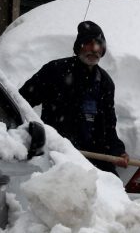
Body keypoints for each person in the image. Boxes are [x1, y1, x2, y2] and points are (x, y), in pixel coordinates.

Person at [19, 20, 129, 173]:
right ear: (79, 47)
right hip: (58, 157)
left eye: (99, 46)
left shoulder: (104, 82)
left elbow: (108, 125)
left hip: (94, 161)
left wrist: (117, 151)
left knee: (113, 193)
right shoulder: (55, 71)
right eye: (88, 44)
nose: (94, 50)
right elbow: (21, 103)